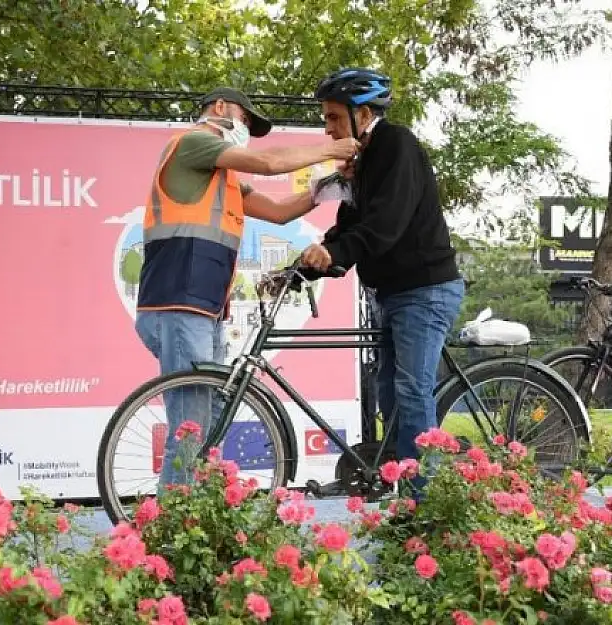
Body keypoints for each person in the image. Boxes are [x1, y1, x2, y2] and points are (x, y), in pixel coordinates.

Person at [137, 86, 360, 485]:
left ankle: (193, 518)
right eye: (244, 120)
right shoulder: (194, 144)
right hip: (179, 304)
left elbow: (277, 211)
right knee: (190, 430)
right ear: (220, 108)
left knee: (205, 425)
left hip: (202, 308)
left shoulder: (221, 177)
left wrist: (330, 184)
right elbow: (268, 161)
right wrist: (334, 149)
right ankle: (170, 529)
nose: (245, 130)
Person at [300, 68, 465, 491]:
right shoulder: (363, 160)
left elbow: (386, 224)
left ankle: (424, 505)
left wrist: (336, 252)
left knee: (411, 393)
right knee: (388, 393)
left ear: (365, 113)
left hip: (423, 290)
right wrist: (311, 263)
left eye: (335, 117)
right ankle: (405, 487)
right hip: (391, 293)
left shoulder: (397, 145)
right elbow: (351, 222)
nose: (328, 127)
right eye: (327, 118)